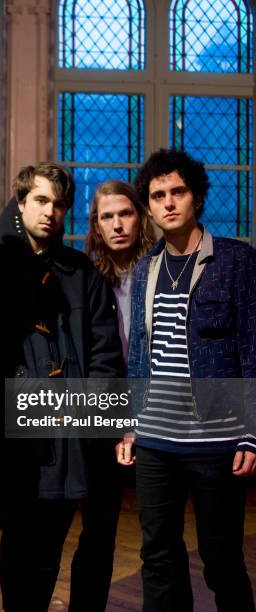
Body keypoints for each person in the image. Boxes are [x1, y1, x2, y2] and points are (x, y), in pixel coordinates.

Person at [0, 162, 124, 612]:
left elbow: (105, 356)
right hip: (15, 434)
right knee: (18, 546)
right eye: (40, 200)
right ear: (21, 203)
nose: (50, 212)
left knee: (54, 542)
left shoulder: (82, 272)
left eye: (59, 204)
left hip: (69, 433)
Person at [117, 148, 256, 612]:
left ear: (196, 197)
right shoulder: (145, 270)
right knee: (158, 557)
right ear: (149, 206)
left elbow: (252, 347)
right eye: (158, 195)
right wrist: (130, 424)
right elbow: (139, 351)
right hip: (156, 442)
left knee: (221, 560)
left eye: (178, 191)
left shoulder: (235, 260)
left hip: (217, 441)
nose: (169, 202)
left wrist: (251, 433)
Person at [64, 180, 155, 612]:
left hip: (157, 412)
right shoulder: (84, 277)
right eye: (107, 216)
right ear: (96, 226)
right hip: (103, 414)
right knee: (98, 533)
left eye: (126, 213)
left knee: (160, 535)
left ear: (141, 217)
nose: (118, 224)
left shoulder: (162, 270)